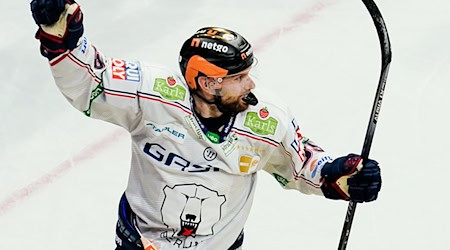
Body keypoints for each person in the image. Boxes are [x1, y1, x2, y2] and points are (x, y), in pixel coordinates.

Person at [30, 1, 382, 249]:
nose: (251, 85)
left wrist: (339, 176)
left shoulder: (265, 121)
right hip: (141, 242)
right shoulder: (153, 93)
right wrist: (62, 35)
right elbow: (93, 84)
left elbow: (302, 165)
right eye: (239, 77)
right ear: (207, 82)